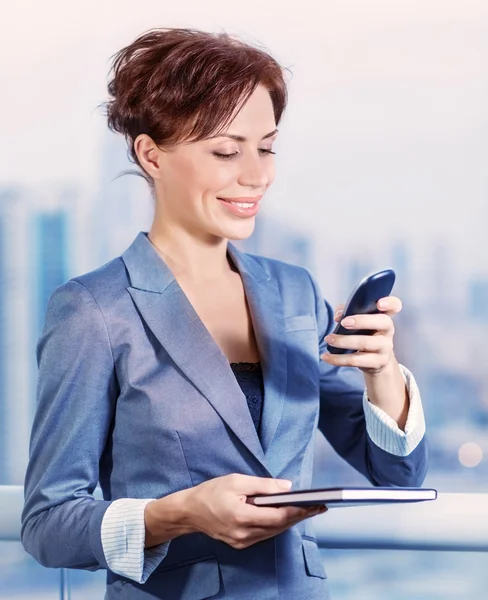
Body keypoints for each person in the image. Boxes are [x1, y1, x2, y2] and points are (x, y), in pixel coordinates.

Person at [21, 28, 428, 600]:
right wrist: (177, 513)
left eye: (266, 147)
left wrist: (382, 374)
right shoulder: (95, 309)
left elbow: (398, 476)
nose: (256, 174)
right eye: (226, 150)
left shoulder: (295, 294)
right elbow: (47, 524)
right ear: (150, 154)